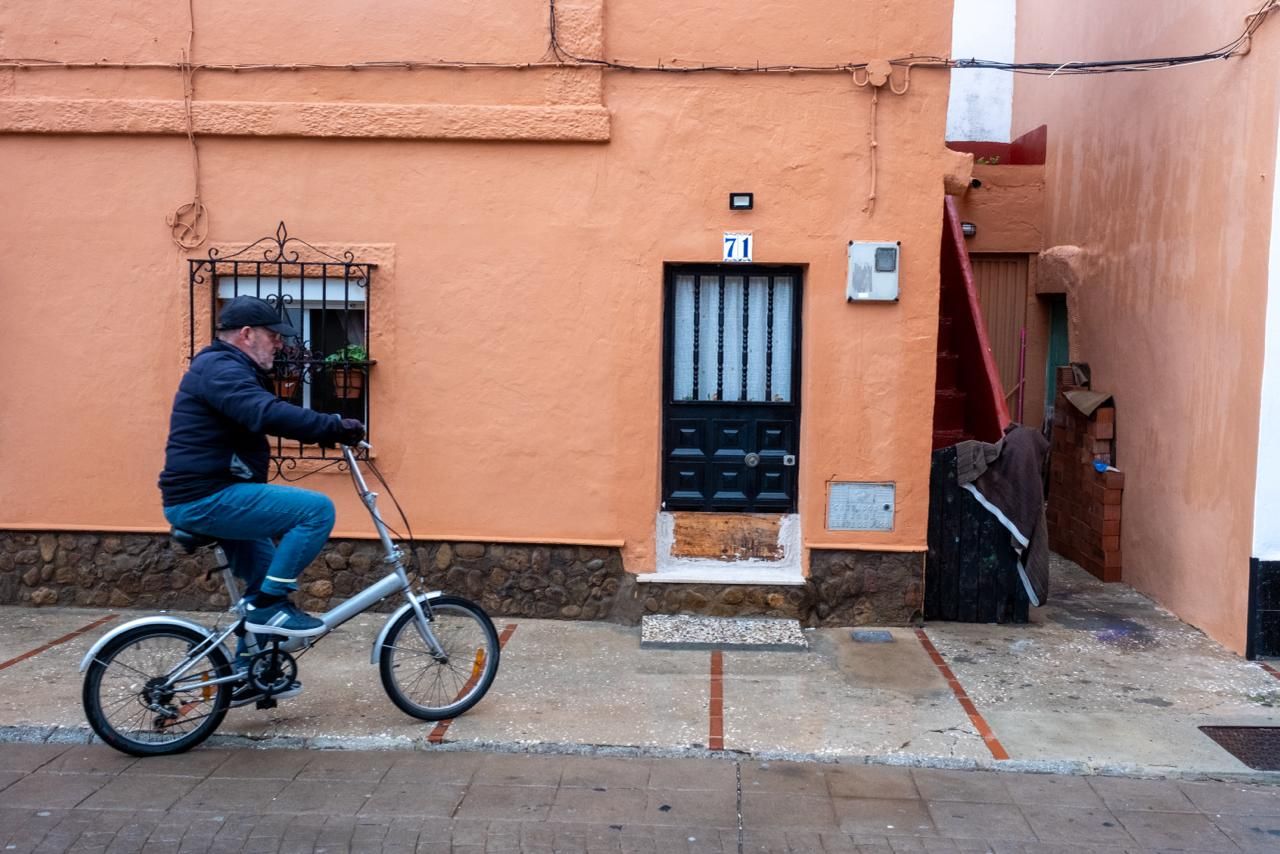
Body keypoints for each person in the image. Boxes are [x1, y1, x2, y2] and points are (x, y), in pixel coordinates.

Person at [159, 295, 365, 704]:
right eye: (273, 336)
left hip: (217, 492)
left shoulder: (227, 369)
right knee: (315, 510)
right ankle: (269, 607)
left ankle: (244, 674)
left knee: (264, 577)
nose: (280, 345)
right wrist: (332, 426)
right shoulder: (219, 369)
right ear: (247, 334)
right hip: (206, 497)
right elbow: (266, 413)